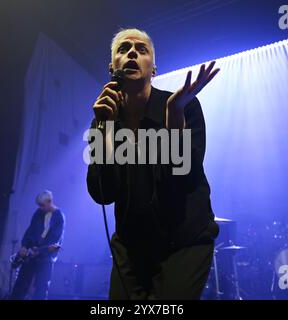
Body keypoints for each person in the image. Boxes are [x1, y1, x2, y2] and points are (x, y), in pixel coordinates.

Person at [86, 28, 220, 299]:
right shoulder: (104, 118)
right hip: (131, 245)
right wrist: (105, 129)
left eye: (141, 49)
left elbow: (185, 179)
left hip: (184, 241)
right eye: (123, 49)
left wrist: (174, 117)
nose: (132, 52)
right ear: (112, 67)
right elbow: (103, 193)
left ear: (154, 68)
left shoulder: (182, 105)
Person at [9, 190, 65, 299]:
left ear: (50, 202)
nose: (41, 208)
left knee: (41, 288)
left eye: (42, 205)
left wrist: (40, 250)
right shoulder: (38, 213)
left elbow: (55, 240)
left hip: (45, 258)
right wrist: (25, 246)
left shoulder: (59, 217)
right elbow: (30, 230)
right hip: (31, 254)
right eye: (39, 205)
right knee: (21, 283)